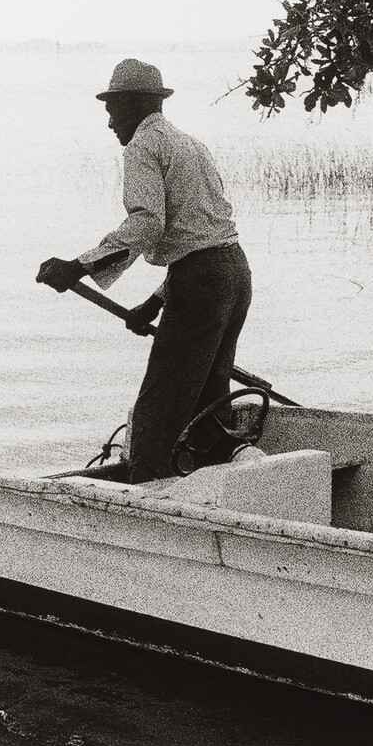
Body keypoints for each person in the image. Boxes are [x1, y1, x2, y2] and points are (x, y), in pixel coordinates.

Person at [37, 59, 253, 483]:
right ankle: (226, 478)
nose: (110, 121)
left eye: (113, 109)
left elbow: (148, 223)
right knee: (210, 398)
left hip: (202, 281)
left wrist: (77, 267)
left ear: (134, 104)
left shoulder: (142, 146)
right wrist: (154, 304)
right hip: (234, 273)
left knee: (160, 407)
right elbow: (200, 239)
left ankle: (151, 494)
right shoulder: (189, 143)